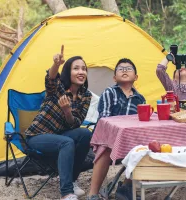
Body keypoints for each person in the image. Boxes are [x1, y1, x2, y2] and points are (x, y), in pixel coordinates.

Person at [25, 45, 92, 200]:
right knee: (67, 143)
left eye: (84, 69)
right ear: (68, 71)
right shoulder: (58, 88)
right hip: (38, 136)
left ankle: (73, 180)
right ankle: (66, 193)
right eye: (76, 68)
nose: (81, 72)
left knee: (84, 134)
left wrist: (67, 111)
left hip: (61, 134)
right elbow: (51, 78)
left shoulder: (86, 95)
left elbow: (76, 123)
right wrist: (56, 64)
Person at [87, 58, 146, 200]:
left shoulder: (140, 99)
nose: (124, 70)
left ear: (136, 77)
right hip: (108, 137)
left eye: (128, 69)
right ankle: (93, 193)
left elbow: (140, 122)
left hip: (129, 139)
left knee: (141, 149)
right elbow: (105, 120)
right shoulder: (110, 93)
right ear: (114, 78)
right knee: (105, 149)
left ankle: (126, 187)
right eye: (120, 69)